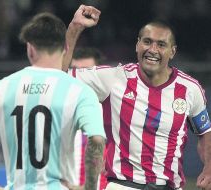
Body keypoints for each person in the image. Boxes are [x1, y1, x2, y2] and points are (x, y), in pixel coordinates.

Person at [62, 5, 211, 190]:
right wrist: (75, 27)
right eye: (147, 42)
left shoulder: (190, 89)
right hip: (122, 184)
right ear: (137, 45)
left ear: (172, 51)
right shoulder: (114, 78)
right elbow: (59, 77)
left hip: (169, 186)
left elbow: (205, 132)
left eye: (161, 44)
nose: (153, 49)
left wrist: (209, 168)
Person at [0, 11, 106, 190]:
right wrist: (88, 188)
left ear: (30, 48)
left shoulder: (3, 88)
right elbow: (97, 140)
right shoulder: (79, 91)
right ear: (66, 48)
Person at [71, 47, 108, 190]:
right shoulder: (58, 110)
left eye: (86, 72)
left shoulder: (114, 111)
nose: (79, 78)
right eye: (74, 70)